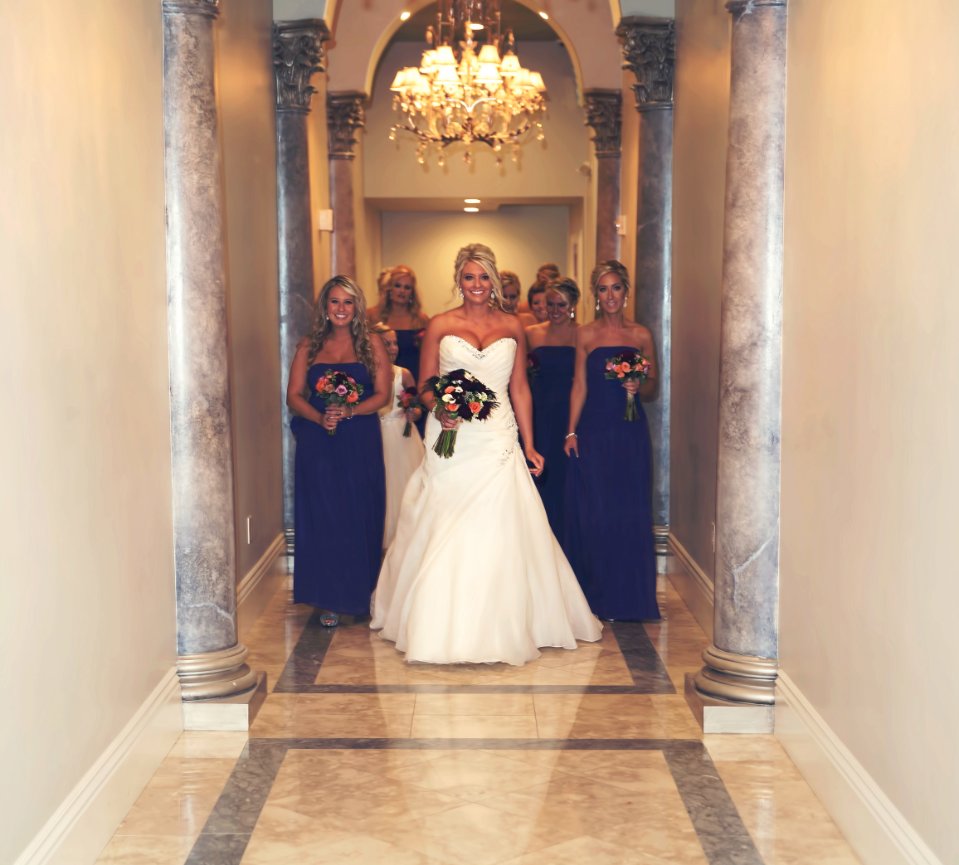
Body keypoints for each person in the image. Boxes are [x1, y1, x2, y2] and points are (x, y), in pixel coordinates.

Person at [370, 243, 602, 665]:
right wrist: (440, 408)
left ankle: (502, 621)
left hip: (497, 434)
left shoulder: (512, 326)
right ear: (458, 281)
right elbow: (426, 383)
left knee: (498, 520)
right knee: (444, 515)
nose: (476, 284)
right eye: (468, 277)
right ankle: (436, 619)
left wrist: (529, 444)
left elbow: (519, 389)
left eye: (483, 277)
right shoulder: (440, 324)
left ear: (493, 281)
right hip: (451, 432)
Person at [286, 276, 392, 627]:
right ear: (325, 307)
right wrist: (320, 417)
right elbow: (293, 395)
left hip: (359, 437)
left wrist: (349, 410)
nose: (341, 308)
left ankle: (360, 593)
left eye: (348, 302)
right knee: (325, 515)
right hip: (318, 441)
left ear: (357, 306)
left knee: (358, 512)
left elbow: (383, 395)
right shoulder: (309, 346)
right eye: (335, 301)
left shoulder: (371, 343)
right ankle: (328, 597)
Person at [563, 261, 660, 621]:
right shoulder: (585, 334)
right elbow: (579, 385)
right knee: (597, 511)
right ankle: (597, 597)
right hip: (594, 430)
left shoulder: (641, 335)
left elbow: (653, 386)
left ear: (626, 291)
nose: (610, 296)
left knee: (630, 510)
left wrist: (638, 384)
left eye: (616, 287)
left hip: (630, 432)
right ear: (595, 295)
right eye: (603, 289)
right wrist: (571, 431)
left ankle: (631, 599)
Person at [526, 276, 580, 538]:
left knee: (568, 476)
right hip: (540, 411)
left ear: (573, 305)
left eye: (561, 305)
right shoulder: (532, 333)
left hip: (571, 412)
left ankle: (567, 537)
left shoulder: (582, 333)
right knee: (541, 473)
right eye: (550, 304)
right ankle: (540, 536)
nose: (555, 310)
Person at [371, 323, 425, 549]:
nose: (393, 348)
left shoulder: (403, 374)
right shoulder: (366, 374)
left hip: (403, 438)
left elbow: (417, 405)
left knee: (404, 487)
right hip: (376, 435)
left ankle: (404, 539)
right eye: (387, 343)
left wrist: (414, 412)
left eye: (395, 343)